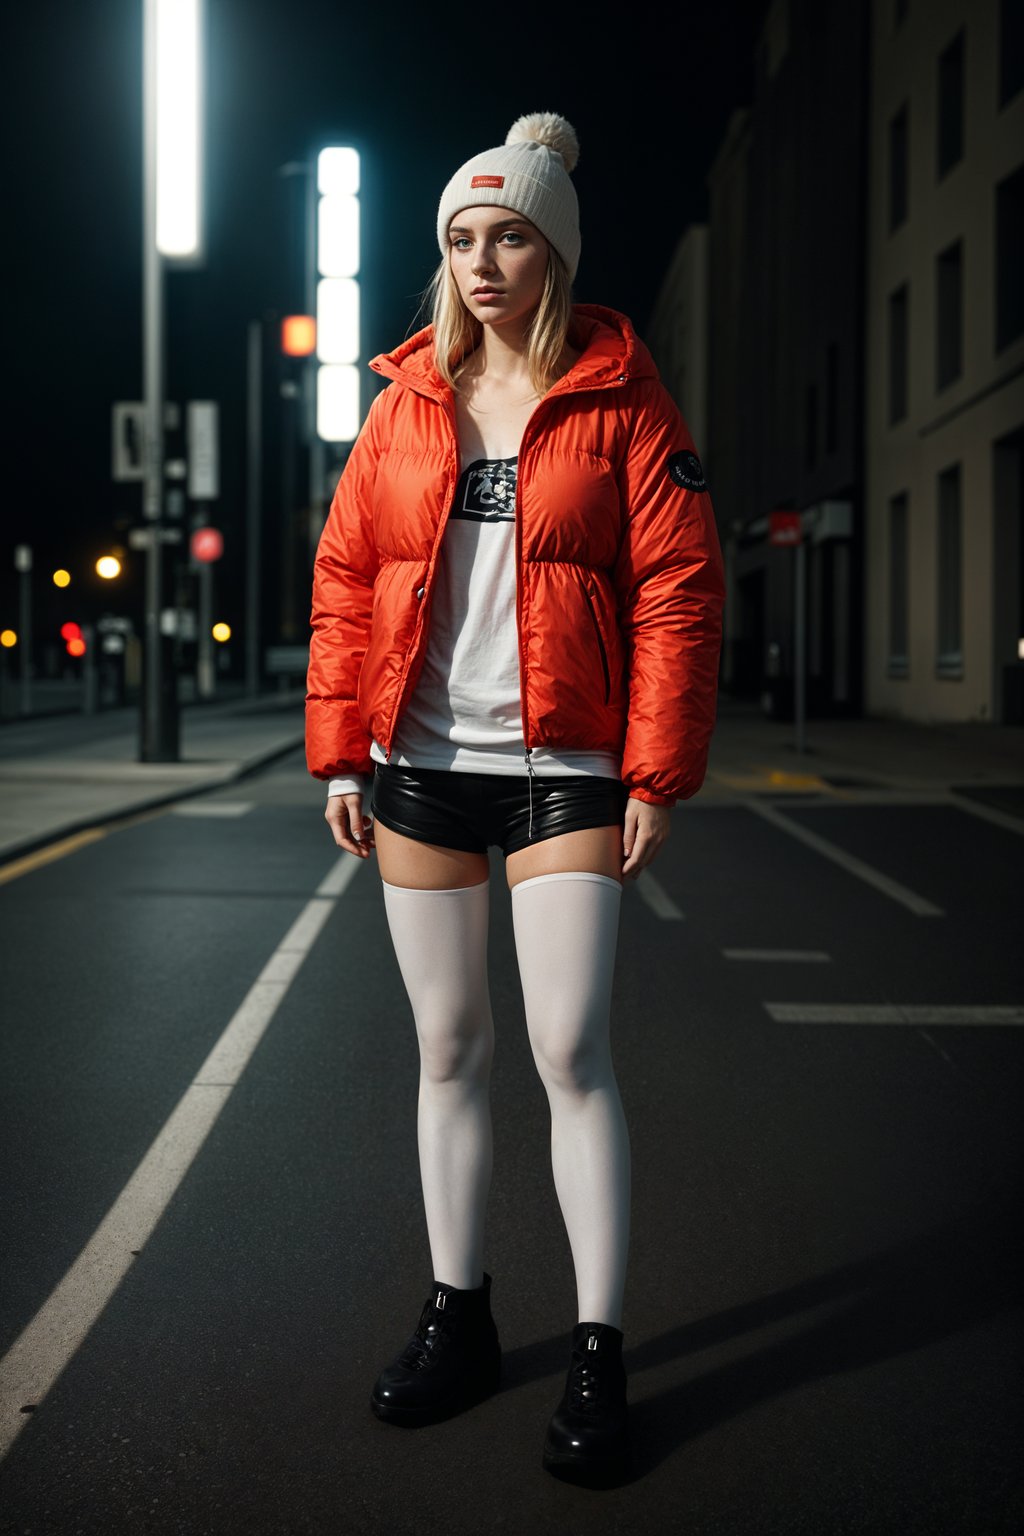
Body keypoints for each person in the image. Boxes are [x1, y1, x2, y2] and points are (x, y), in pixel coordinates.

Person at [306, 111, 724, 1486]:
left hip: (569, 772)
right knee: (448, 1051)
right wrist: (340, 751)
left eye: (511, 237)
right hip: (422, 764)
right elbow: (348, 578)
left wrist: (656, 768)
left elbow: (675, 587)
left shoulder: (621, 397)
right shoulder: (406, 398)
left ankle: (601, 1353)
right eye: (462, 240)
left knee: (570, 1052)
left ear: (557, 251)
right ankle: (460, 1317)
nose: (483, 261)